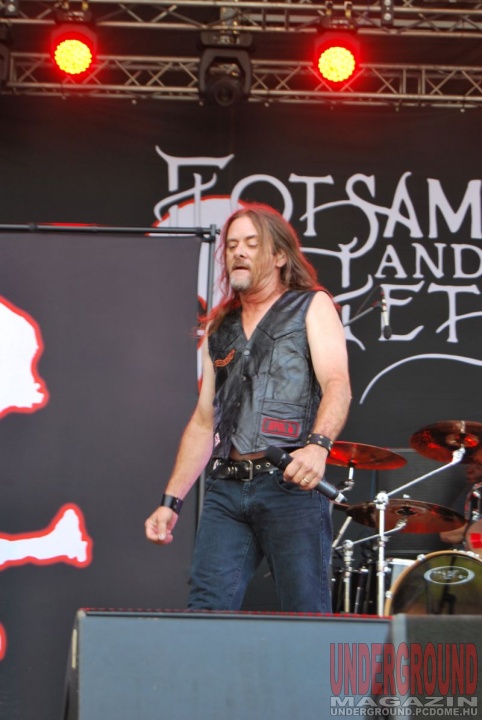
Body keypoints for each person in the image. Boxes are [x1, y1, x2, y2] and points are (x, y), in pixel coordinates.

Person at [145, 202, 352, 612]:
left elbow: (337, 385)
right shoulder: (219, 327)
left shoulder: (311, 305)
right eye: (232, 245)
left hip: (289, 486)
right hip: (226, 488)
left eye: (252, 244)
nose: (238, 252)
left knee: (307, 613)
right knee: (205, 611)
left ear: (279, 256)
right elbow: (204, 422)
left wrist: (318, 447)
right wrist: (171, 501)